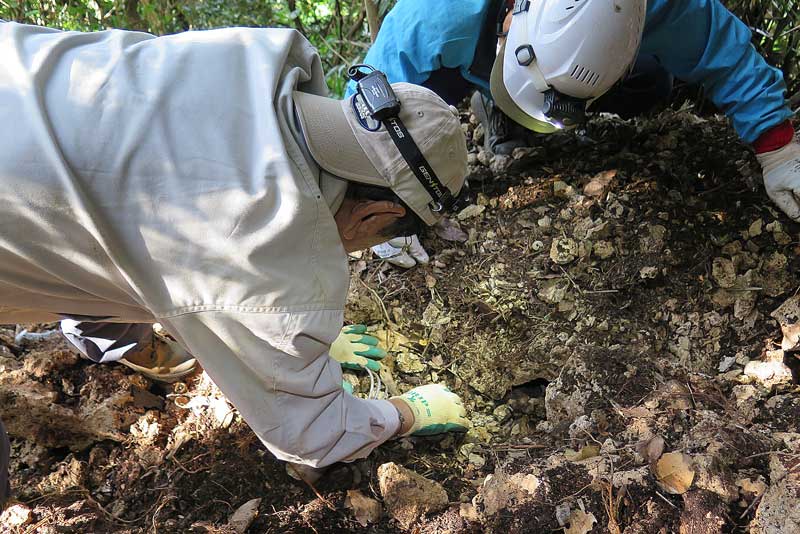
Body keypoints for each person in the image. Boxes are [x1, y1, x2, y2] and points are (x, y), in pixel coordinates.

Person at [0, 21, 471, 504]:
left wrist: (290, 353)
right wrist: (404, 412)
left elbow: (112, 205)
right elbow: (311, 439)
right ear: (377, 213)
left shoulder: (249, 58)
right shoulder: (265, 245)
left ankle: (127, 347)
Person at [359, 0, 798, 266]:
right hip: (463, 63)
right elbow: (370, 96)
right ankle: (497, 107)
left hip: (594, 66)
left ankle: (566, 101)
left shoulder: (663, 7)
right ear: (512, 18)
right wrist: (384, 200)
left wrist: (777, 148)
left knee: (653, 85)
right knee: (414, 103)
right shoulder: (435, 15)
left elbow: (727, 55)